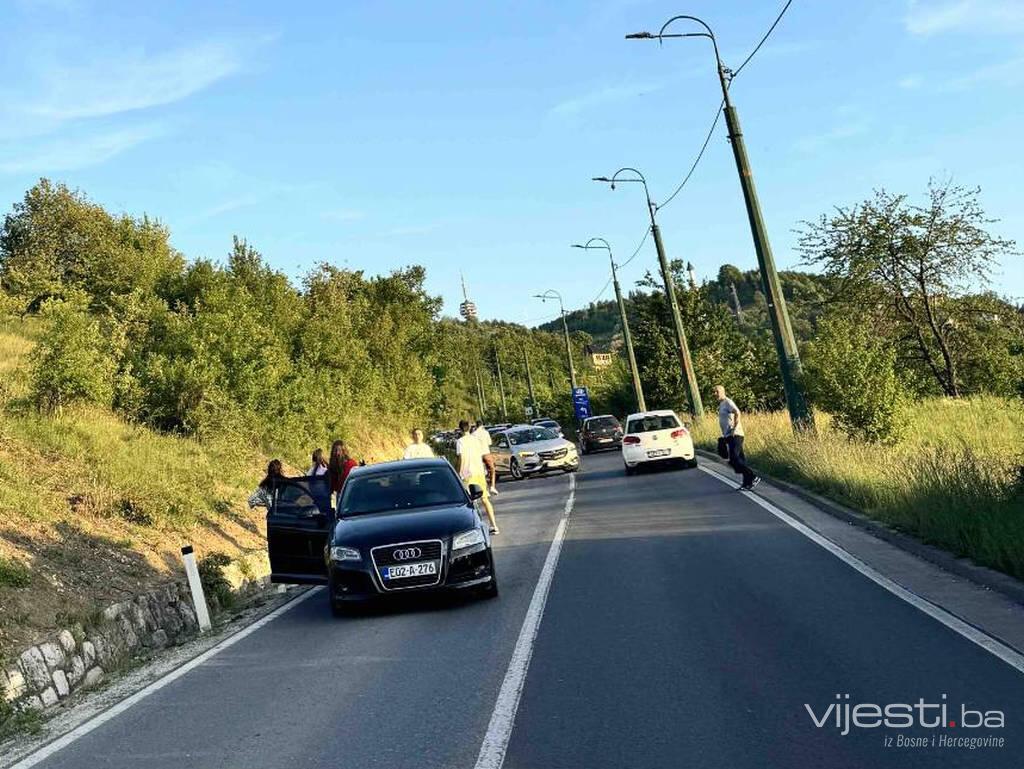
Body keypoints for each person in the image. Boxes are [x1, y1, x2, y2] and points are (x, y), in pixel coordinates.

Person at [457, 419, 499, 534]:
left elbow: (461, 458)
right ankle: (494, 525)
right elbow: (480, 455)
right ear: (470, 428)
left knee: (469, 502)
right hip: (479, 471)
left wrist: (458, 472)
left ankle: (473, 528)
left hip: (466, 472)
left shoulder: (460, 442)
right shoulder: (476, 440)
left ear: (460, 429)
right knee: (484, 499)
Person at [715, 385, 760, 491]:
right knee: (740, 459)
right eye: (714, 392)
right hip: (728, 435)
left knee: (734, 459)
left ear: (723, 392)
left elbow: (737, 412)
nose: (715, 394)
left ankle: (753, 476)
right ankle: (746, 483)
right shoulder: (721, 404)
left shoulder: (727, 402)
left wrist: (735, 428)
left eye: (717, 392)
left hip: (736, 434)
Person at [328, 440, 358, 505]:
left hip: (351, 495)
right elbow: (332, 485)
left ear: (344, 451)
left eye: (339, 450)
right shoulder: (333, 466)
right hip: (340, 496)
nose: (337, 453)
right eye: (335, 450)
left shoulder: (351, 464)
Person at [473, 421, 498, 495]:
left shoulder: (473, 434)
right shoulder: (485, 432)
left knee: (481, 472)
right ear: (482, 425)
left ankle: (485, 489)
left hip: (478, 455)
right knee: (492, 469)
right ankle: (492, 487)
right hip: (486, 453)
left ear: (476, 426)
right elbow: (489, 443)